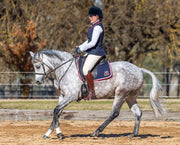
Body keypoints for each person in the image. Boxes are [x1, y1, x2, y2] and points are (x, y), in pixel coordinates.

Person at [74, 6, 107, 100]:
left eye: (91, 16)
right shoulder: (93, 26)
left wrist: (82, 49)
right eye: (89, 16)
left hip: (97, 52)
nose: (90, 18)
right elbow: (89, 41)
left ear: (97, 16)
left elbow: (93, 43)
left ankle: (92, 93)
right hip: (92, 51)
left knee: (85, 70)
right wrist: (79, 47)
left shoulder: (97, 27)